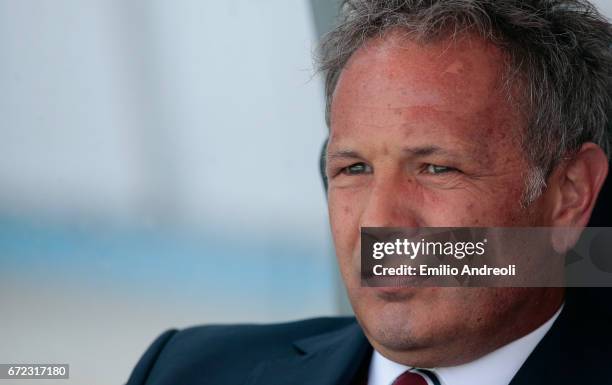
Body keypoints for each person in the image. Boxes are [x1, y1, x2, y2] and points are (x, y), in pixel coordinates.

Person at [126, 1, 612, 384]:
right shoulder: (184, 372)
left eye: (436, 168)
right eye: (354, 168)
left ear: (569, 194)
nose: (378, 222)